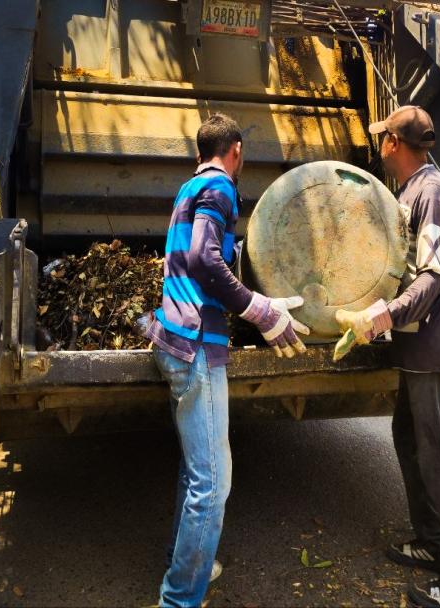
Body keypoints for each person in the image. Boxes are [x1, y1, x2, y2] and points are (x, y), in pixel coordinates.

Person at [146, 113, 309, 608]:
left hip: (174, 338)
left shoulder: (189, 188)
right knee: (214, 482)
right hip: (196, 344)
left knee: (196, 470)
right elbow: (204, 258)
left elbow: (199, 258)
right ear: (236, 149)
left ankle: (186, 564)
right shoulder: (220, 186)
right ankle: (179, 598)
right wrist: (261, 311)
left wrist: (258, 298)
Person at [335, 106, 440, 608]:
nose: (379, 144)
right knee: (409, 439)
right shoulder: (409, 192)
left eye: (382, 137)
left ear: (394, 144)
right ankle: (432, 542)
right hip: (418, 347)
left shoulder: (433, 194)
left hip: (436, 349)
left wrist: (384, 315)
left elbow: (433, 277)